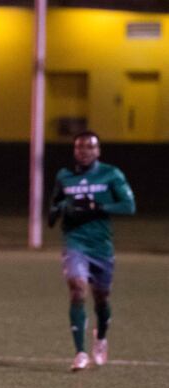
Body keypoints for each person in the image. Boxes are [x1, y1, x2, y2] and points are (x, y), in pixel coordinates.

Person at [48, 131, 135, 372]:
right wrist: (61, 208)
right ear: (74, 151)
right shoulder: (65, 176)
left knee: (102, 299)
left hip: (101, 247)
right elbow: (54, 207)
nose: (84, 151)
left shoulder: (110, 174)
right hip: (75, 242)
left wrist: (98, 206)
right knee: (77, 289)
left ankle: (101, 338)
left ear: (98, 151)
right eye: (79, 147)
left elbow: (129, 206)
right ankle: (80, 353)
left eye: (89, 147)